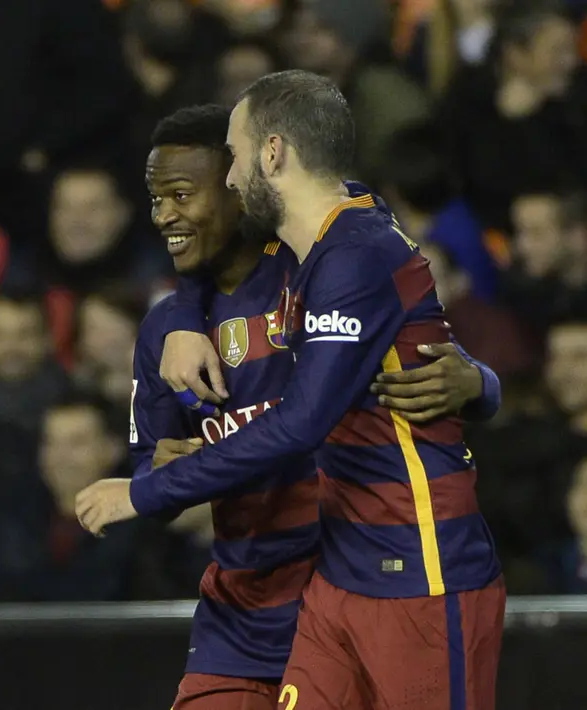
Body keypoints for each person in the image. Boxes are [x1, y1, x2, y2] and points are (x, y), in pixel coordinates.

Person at [79, 72, 506, 709]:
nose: (228, 177)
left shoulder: (338, 256)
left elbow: (308, 417)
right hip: (299, 595)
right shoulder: (304, 261)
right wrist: (181, 313)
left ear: (271, 155)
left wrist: (480, 382)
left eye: (233, 160)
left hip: (413, 564)